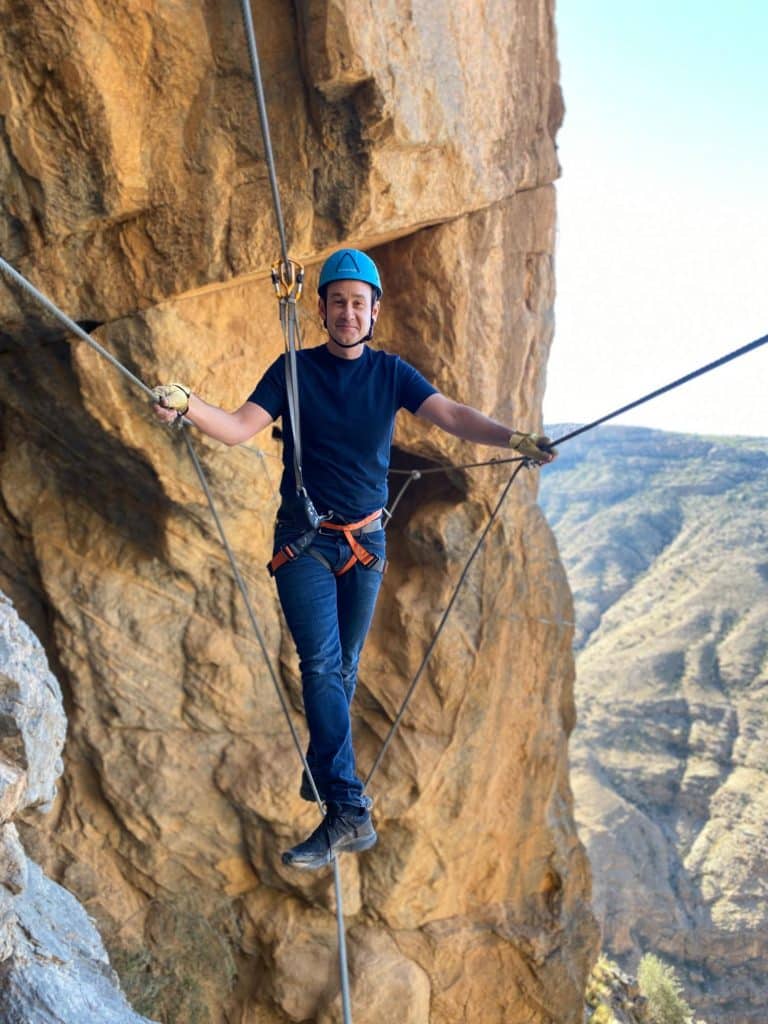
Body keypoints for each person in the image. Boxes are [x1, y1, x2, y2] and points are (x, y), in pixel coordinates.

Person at [152, 248, 555, 871]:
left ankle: (324, 774)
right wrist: (186, 401)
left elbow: (448, 414)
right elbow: (235, 427)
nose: (347, 312)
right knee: (320, 663)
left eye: (357, 303)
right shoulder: (293, 370)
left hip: (366, 545)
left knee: (342, 673)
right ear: (322, 310)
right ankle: (347, 808)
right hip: (306, 543)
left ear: (374, 312)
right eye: (337, 301)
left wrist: (514, 438)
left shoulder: (391, 374)